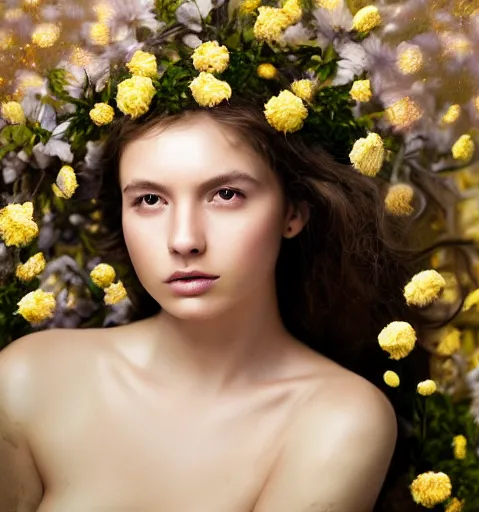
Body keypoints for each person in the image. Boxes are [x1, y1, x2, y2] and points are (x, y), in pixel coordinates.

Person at [0, 98, 436, 511]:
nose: (185, 240)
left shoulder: (338, 418)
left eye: (226, 194)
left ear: (293, 212)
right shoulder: (27, 381)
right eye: (150, 200)